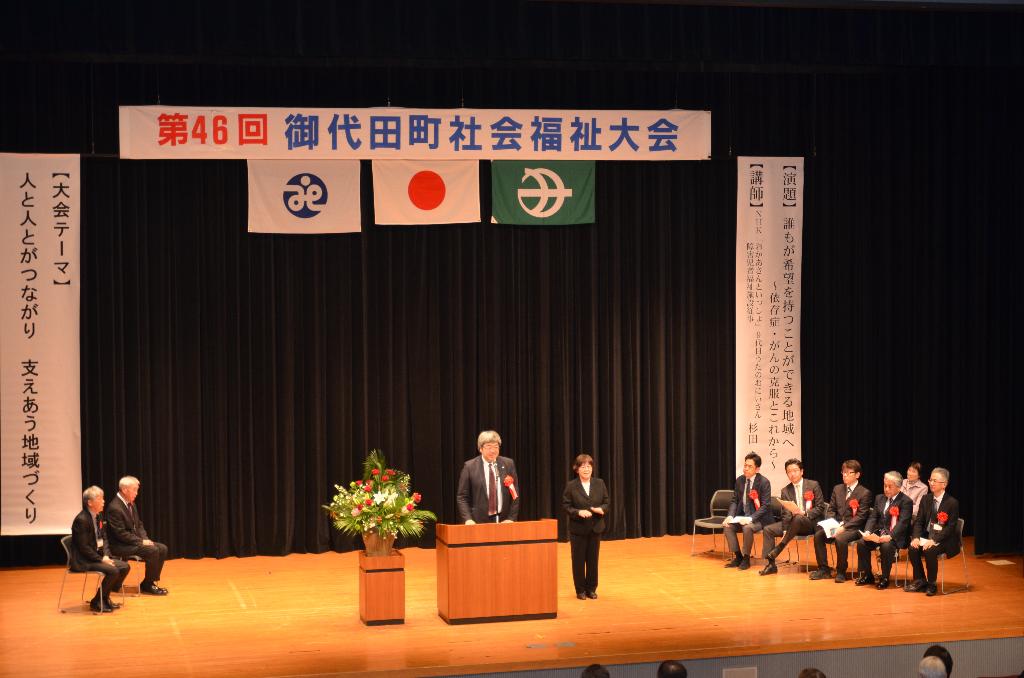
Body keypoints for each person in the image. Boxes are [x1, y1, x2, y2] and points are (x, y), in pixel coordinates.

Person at [759, 458, 826, 575]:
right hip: (792, 525)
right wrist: (785, 529)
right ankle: (771, 565)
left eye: (795, 470)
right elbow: (785, 513)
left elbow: (820, 507)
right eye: (789, 471)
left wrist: (805, 513)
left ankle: (781, 546)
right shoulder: (785, 490)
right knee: (768, 529)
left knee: (799, 517)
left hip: (810, 523)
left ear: (802, 471)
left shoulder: (813, 485)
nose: (792, 474)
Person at [809, 459, 873, 583]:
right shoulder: (837, 489)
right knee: (819, 535)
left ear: (857, 475)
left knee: (840, 538)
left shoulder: (865, 493)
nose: (845, 475)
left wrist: (844, 528)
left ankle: (841, 571)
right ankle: (823, 569)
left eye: (849, 473)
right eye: (843, 472)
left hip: (854, 528)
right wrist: (831, 524)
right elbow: (831, 509)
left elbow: (861, 517)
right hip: (837, 525)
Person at [105, 475, 169, 595]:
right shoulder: (115, 508)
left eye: (137, 490)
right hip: (119, 545)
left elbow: (138, 525)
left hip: (132, 542)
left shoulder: (131, 503)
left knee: (162, 548)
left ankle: (148, 582)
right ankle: (148, 585)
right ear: (125, 490)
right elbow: (120, 534)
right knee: (153, 550)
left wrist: (145, 539)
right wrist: (141, 542)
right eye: (134, 490)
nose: (136, 493)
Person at [69, 486, 130, 613]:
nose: (103, 501)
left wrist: (106, 555)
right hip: (84, 560)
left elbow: (104, 538)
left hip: (97, 556)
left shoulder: (98, 516)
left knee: (124, 567)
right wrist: (101, 559)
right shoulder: (82, 520)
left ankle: (104, 597)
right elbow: (84, 548)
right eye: (99, 499)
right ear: (89, 502)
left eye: (103, 498)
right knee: (113, 571)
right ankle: (97, 601)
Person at [905, 467, 960, 596]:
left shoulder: (952, 503)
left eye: (935, 481)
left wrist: (934, 540)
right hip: (927, 535)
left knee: (930, 550)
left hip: (944, 539)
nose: (931, 483)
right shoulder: (926, 499)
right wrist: (916, 537)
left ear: (944, 484)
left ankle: (932, 583)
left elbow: (950, 528)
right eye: (930, 480)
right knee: (913, 548)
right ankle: (920, 580)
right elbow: (919, 521)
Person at [854, 470, 913, 588]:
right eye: (885, 485)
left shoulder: (906, 501)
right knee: (861, 543)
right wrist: (867, 531)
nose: (886, 489)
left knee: (886, 546)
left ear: (898, 487)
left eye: (890, 486)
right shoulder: (879, 498)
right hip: (879, 533)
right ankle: (868, 575)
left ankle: (885, 577)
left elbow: (903, 523)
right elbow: (873, 517)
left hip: (896, 536)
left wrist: (890, 536)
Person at [562, 453, 609, 600]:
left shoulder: (600, 483)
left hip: (596, 528)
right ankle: (580, 590)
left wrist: (602, 509)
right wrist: (578, 512)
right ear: (577, 469)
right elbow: (566, 506)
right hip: (578, 529)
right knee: (578, 561)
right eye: (583, 467)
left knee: (593, 560)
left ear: (592, 468)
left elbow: (606, 502)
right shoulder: (571, 486)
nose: (586, 469)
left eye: (589, 466)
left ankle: (591, 589)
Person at [456, 430, 520, 524]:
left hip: (504, 521)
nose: (493, 450)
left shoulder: (508, 464)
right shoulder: (470, 467)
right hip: (478, 522)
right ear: (481, 449)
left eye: (496, 447)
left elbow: (515, 494)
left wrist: (511, 518)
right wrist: (468, 519)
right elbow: (462, 497)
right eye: (489, 447)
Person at [723, 452, 772, 570]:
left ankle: (746, 558)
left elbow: (765, 506)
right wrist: (730, 516)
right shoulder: (740, 480)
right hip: (742, 516)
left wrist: (750, 518)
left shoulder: (764, 482)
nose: (746, 468)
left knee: (747, 527)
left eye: (750, 466)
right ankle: (738, 556)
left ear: (757, 469)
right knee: (727, 526)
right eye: (745, 465)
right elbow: (735, 500)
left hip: (759, 519)